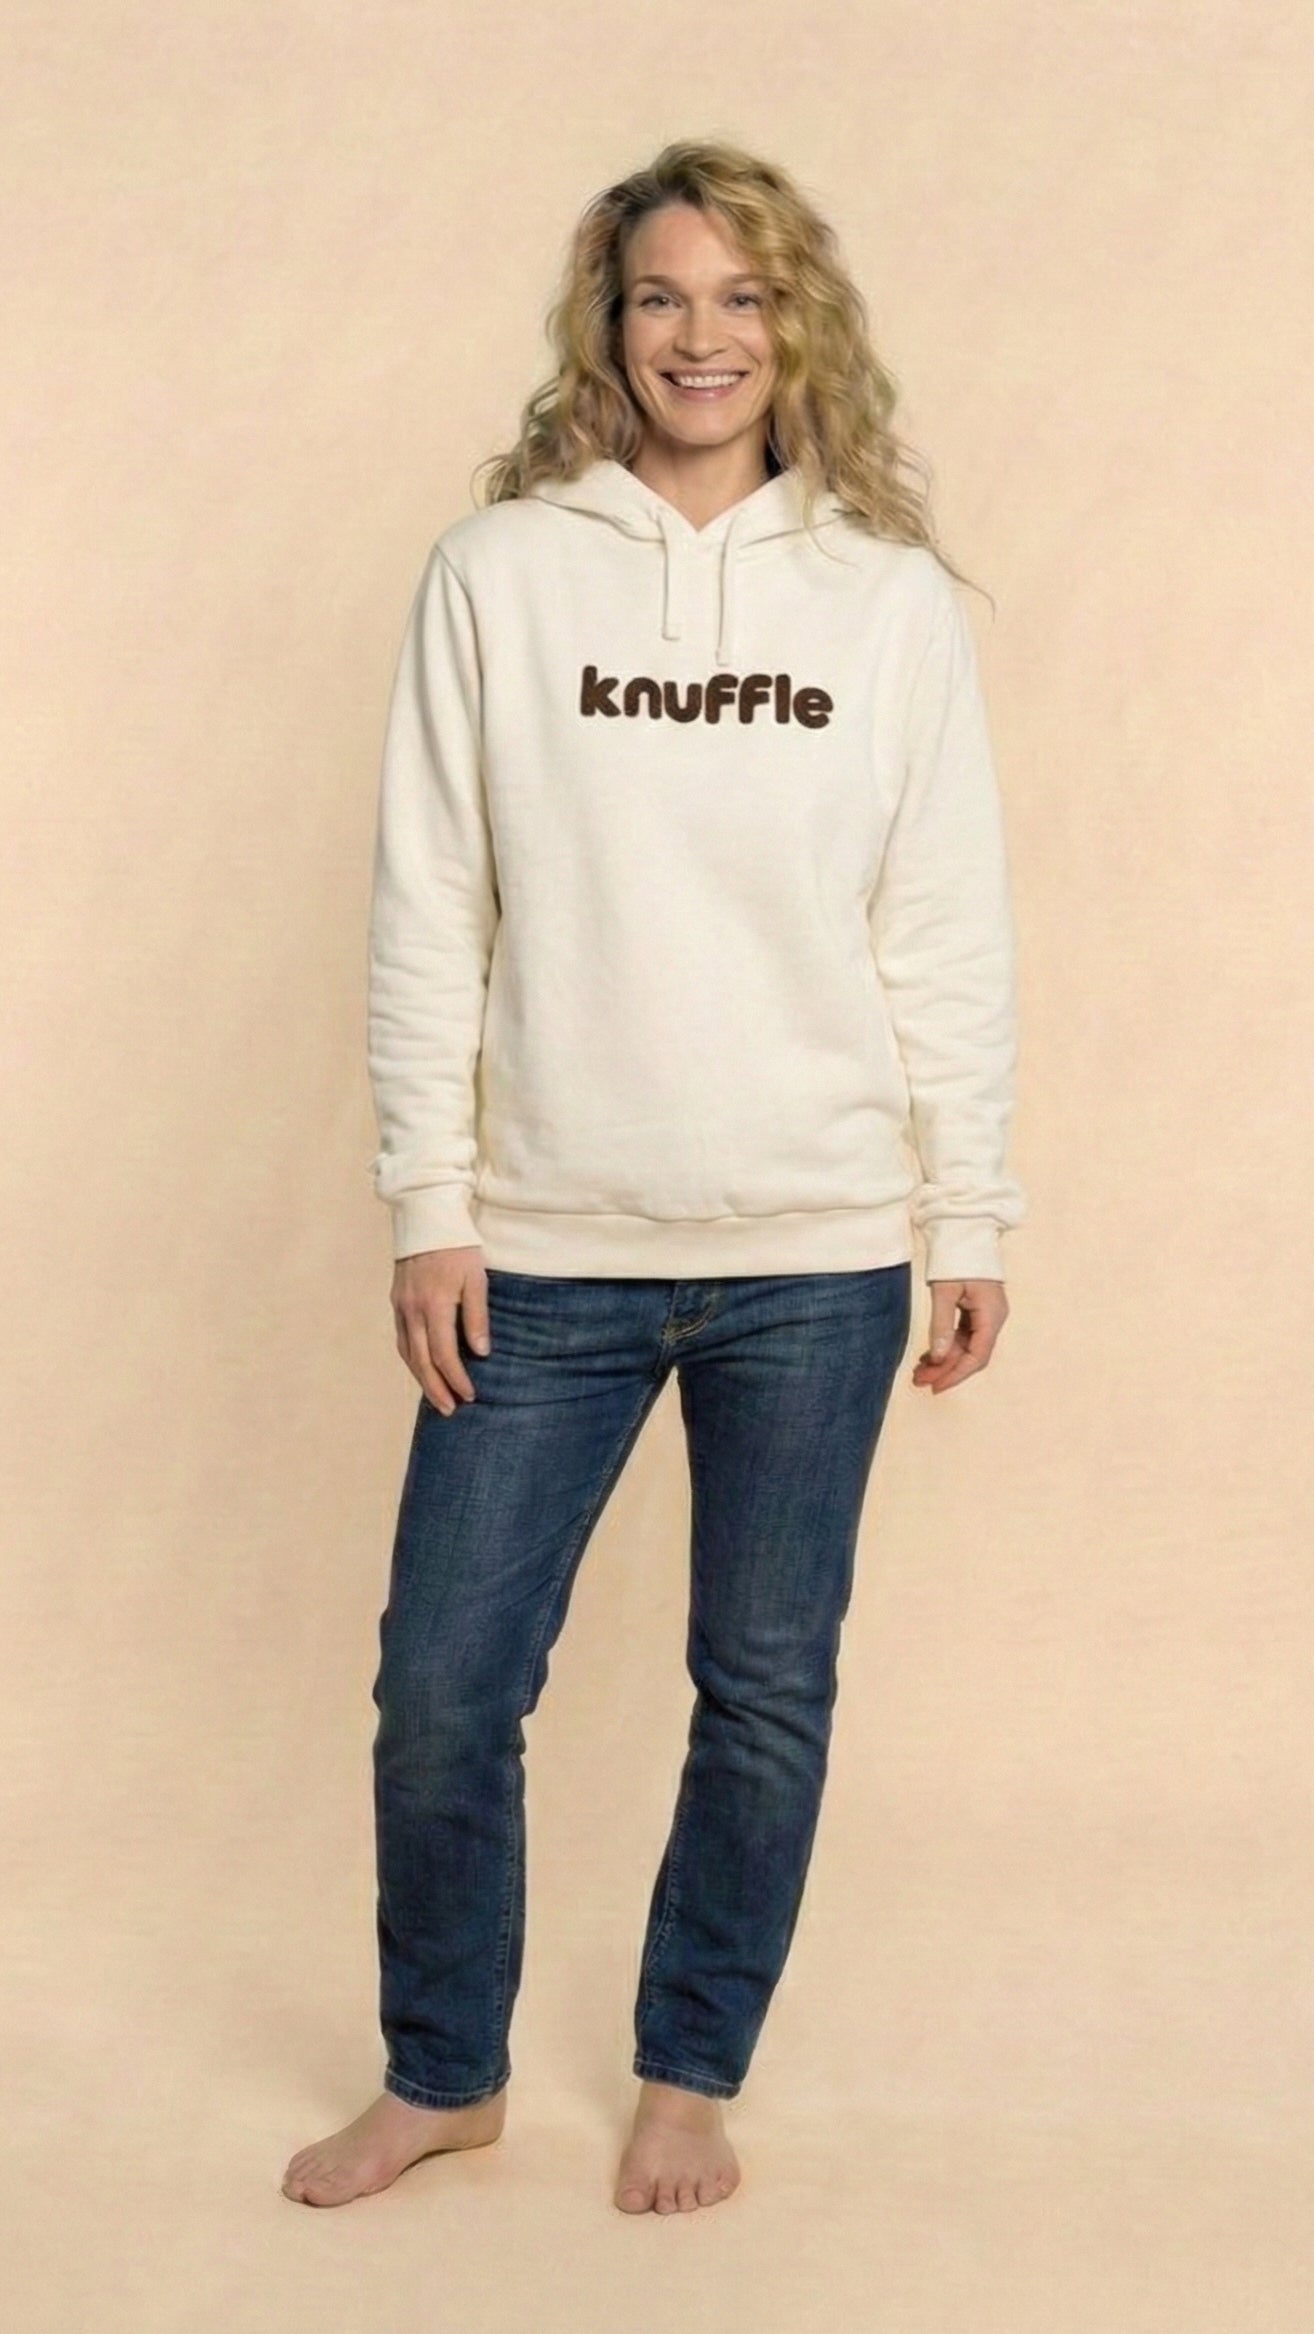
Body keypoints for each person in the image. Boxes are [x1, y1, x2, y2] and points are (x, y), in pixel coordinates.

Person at [281, 136, 1025, 2216]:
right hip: (544, 1248)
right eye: (662, 297)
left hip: (817, 1250)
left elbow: (942, 928)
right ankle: (446, 2072)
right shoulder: (498, 576)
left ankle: (689, 2073)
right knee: (442, 1690)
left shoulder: (884, 603)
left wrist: (967, 1213)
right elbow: (431, 903)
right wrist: (431, 1202)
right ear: (607, 332)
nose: (703, 336)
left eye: (743, 296)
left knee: (763, 1690)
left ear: (799, 325)